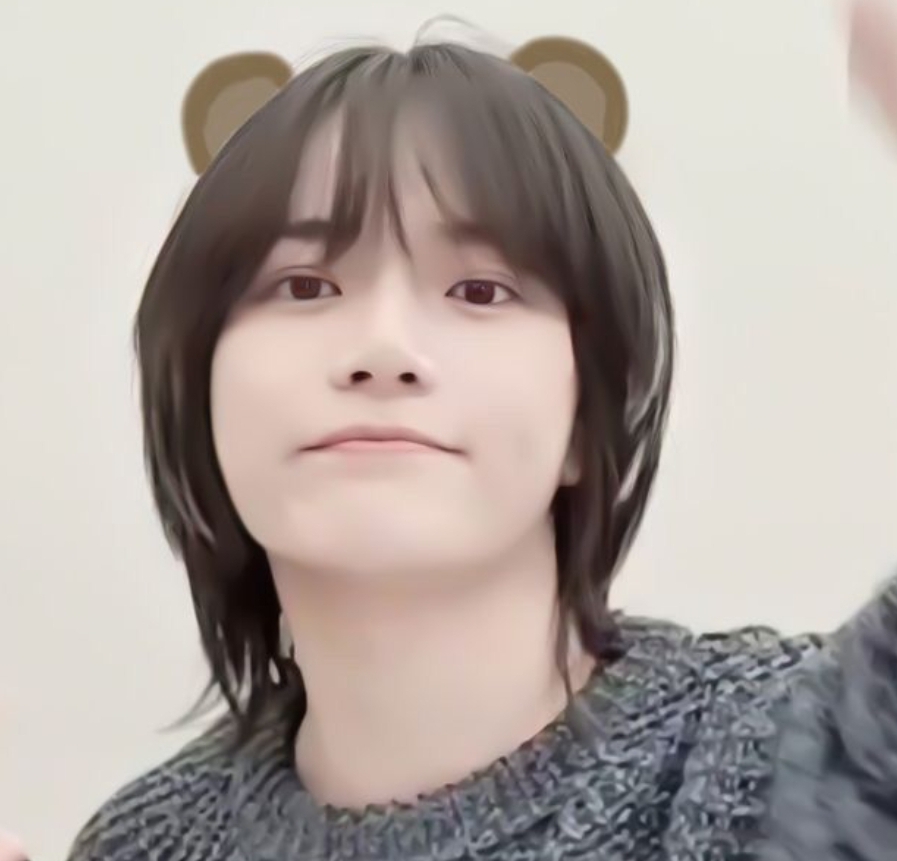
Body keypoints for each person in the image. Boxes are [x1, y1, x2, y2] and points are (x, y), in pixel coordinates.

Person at [5, 2, 895, 859]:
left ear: (587, 415)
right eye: (304, 286)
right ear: (199, 389)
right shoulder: (144, 844)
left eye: (479, 290)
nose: (382, 350)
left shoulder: (788, 748)